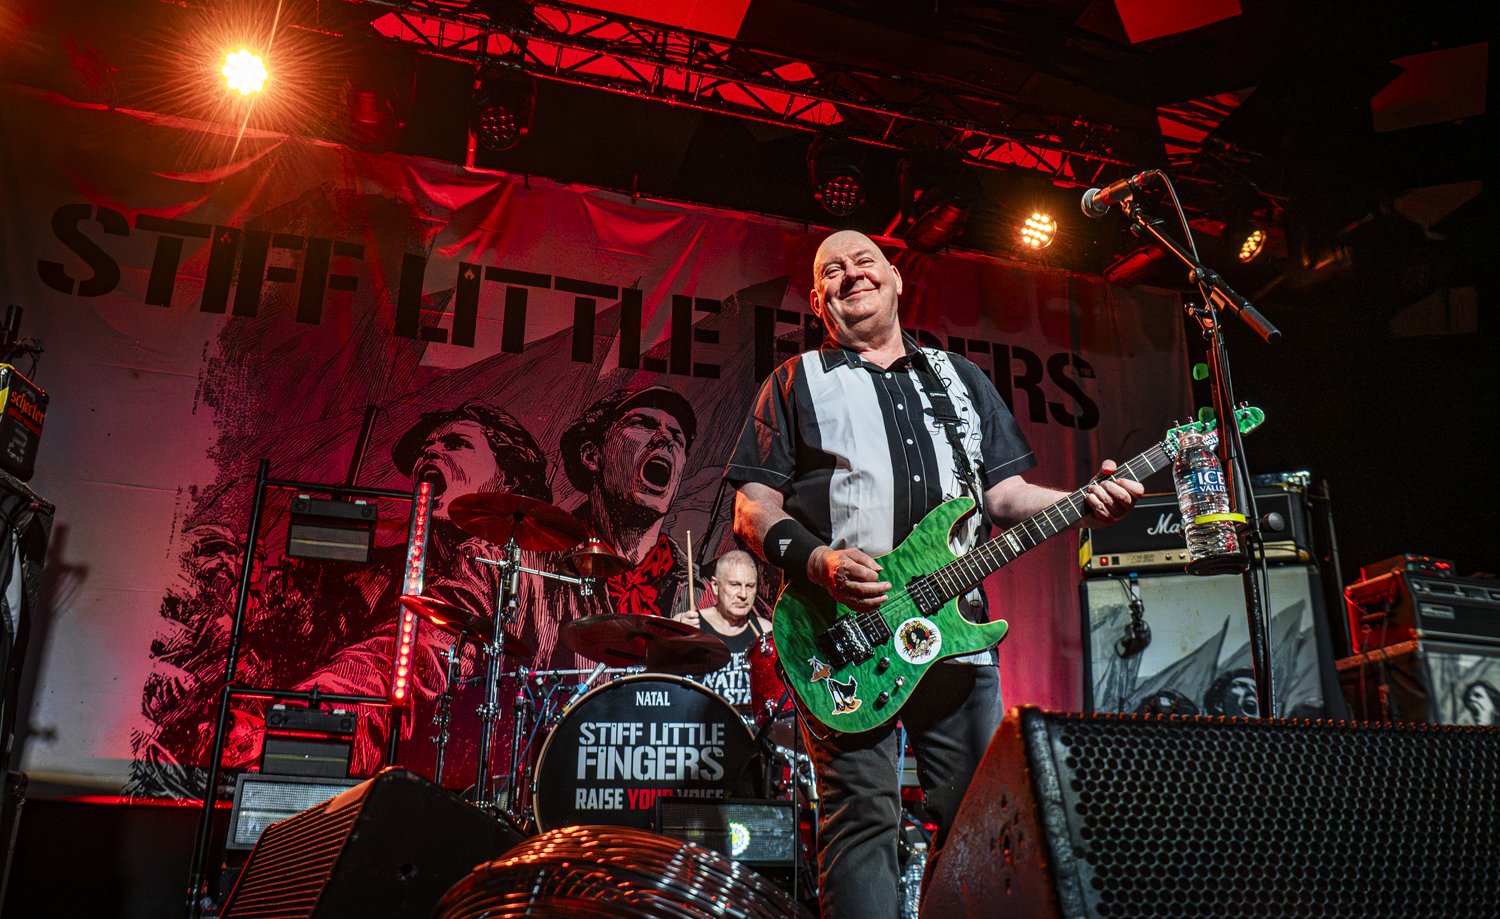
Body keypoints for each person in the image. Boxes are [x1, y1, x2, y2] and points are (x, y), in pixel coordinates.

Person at [726, 229, 1142, 917]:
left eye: (864, 262)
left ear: (894, 279)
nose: (850, 274)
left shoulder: (960, 379)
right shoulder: (796, 381)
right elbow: (751, 508)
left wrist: (1081, 507)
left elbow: (1004, 497)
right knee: (861, 820)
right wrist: (821, 561)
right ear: (818, 300)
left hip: (958, 638)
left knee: (987, 823)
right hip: (846, 636)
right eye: (833, 270)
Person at [671, 548, 770, 712]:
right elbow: (663, 680)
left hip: (749, 731)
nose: (743, 595)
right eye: (735, 585)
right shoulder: (689, 623)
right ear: (715, 586)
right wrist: (677, 638)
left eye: (750, 586)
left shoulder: (765, 631)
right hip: (701, 728)